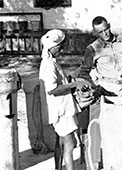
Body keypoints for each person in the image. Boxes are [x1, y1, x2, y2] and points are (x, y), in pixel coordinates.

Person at [77, 16, 122, 170]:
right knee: (112, 138)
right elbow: (83, 72)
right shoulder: (93, 48)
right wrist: (95, 88)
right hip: (108, 93)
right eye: (100, 32)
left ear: (109, 25)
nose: (105, 33)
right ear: (95, 33)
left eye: (106, 29)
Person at [39, 29, 90, 170]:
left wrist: (71, 79)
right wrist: (74, 85)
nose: (61, 51)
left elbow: (59, 82)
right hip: (61, 110)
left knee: (61, 143)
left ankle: (58, 168)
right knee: (70, 144)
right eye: (60, 48)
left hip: (62, 107)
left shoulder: (51, 62)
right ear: (52, 47)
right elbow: (52, 89)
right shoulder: (49, 65)